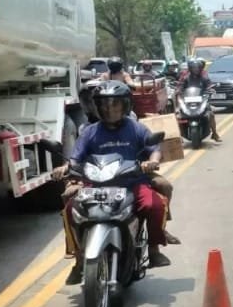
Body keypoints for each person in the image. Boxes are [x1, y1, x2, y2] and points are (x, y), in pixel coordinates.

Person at [53, 80, 171, 283]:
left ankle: (153, 248)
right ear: (97, 107)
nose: (109, 109)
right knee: (70, 210)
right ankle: (79, 259)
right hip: (95, 184)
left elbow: (154, 149)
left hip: (131, 182)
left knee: (154, 204)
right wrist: (65, 167)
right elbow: (76, 157)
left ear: (124, 105)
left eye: (115, 104)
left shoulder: (136, 128)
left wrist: (152, 162)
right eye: (104, 105)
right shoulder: (89, 131)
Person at [176, 58, 222, 142]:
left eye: (197, 68)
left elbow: (209, 85)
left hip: (201, 100)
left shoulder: (204, 78)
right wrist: (179, 90)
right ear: (190, 69)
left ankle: (215, 134)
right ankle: (179, 136)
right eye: (193, 68)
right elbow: (181, 86)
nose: (196, 69)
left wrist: (210, 89)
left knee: (211, 114)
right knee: (178, 116)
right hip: (188, 101)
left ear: (200, 68)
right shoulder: (186, 78)